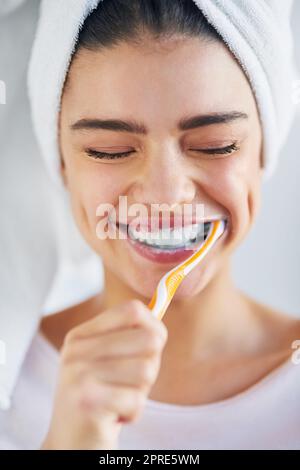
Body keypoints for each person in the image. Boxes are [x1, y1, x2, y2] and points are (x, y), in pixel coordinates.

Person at [1, 0, 299, 450]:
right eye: (109, 150)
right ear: (61, 162)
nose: (164, 196)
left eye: (215, 146)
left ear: (264, 148)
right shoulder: (12, 386)